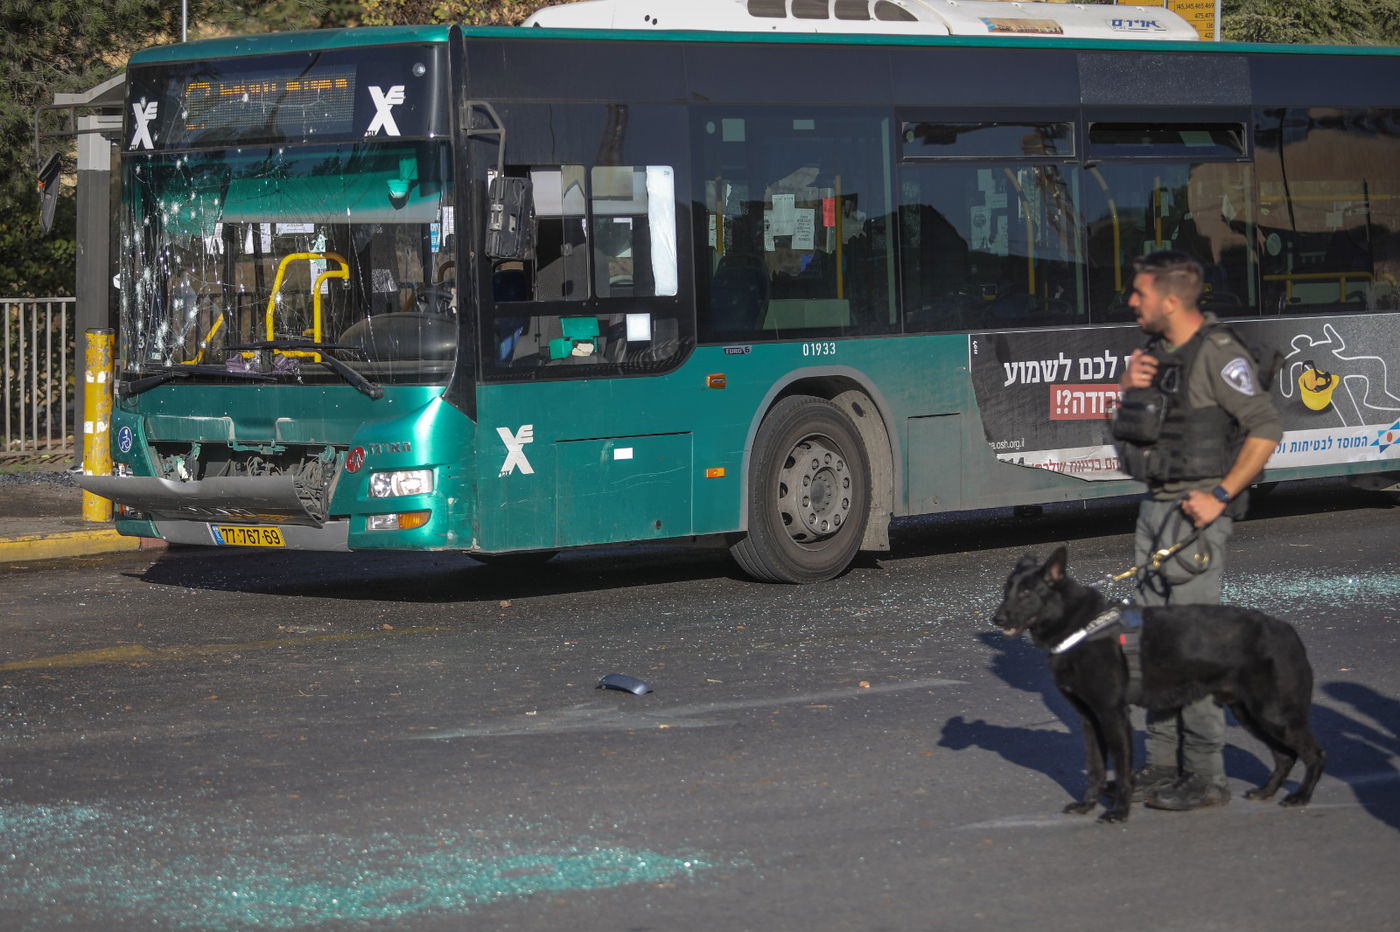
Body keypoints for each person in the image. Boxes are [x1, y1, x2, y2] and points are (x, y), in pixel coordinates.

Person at [1114, 250, 1283, 811]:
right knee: (1152, 647)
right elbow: (1132, 439)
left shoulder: (1217, 353)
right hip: (1154, 511)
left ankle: (1206, 776)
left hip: (1193, 522)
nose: (1131, 303)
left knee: (1192, 650)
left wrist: (1219, 495)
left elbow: (1264, 428)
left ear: (1169, 300)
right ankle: (1162, 764)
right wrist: (1128, 391)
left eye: (1138, 294)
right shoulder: (1154, 355)